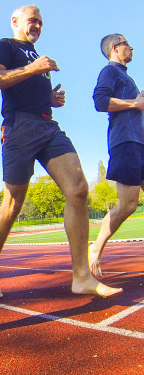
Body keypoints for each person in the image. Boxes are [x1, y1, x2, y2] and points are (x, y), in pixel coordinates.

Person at [0, 5, 122, 300]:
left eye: (41, 23)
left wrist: (50, 98)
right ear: (15, 21)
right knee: (12, 204)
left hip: (48, 127)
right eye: (33, 21)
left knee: (79, 189)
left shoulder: (35, 54)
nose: (38, 26)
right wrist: (33, 68)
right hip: (18, 127)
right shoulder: (5, 46)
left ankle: (81, 276)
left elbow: (29, 89)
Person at [90, 34, 144, 276]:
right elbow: (100, 101)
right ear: (114, 48)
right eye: (126, 43)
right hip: (126, 143)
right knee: (129, 205)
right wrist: (134, 103)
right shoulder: (109, 71)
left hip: (141, 142)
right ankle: (95, 249)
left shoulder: (127, 76)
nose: (131, 47)